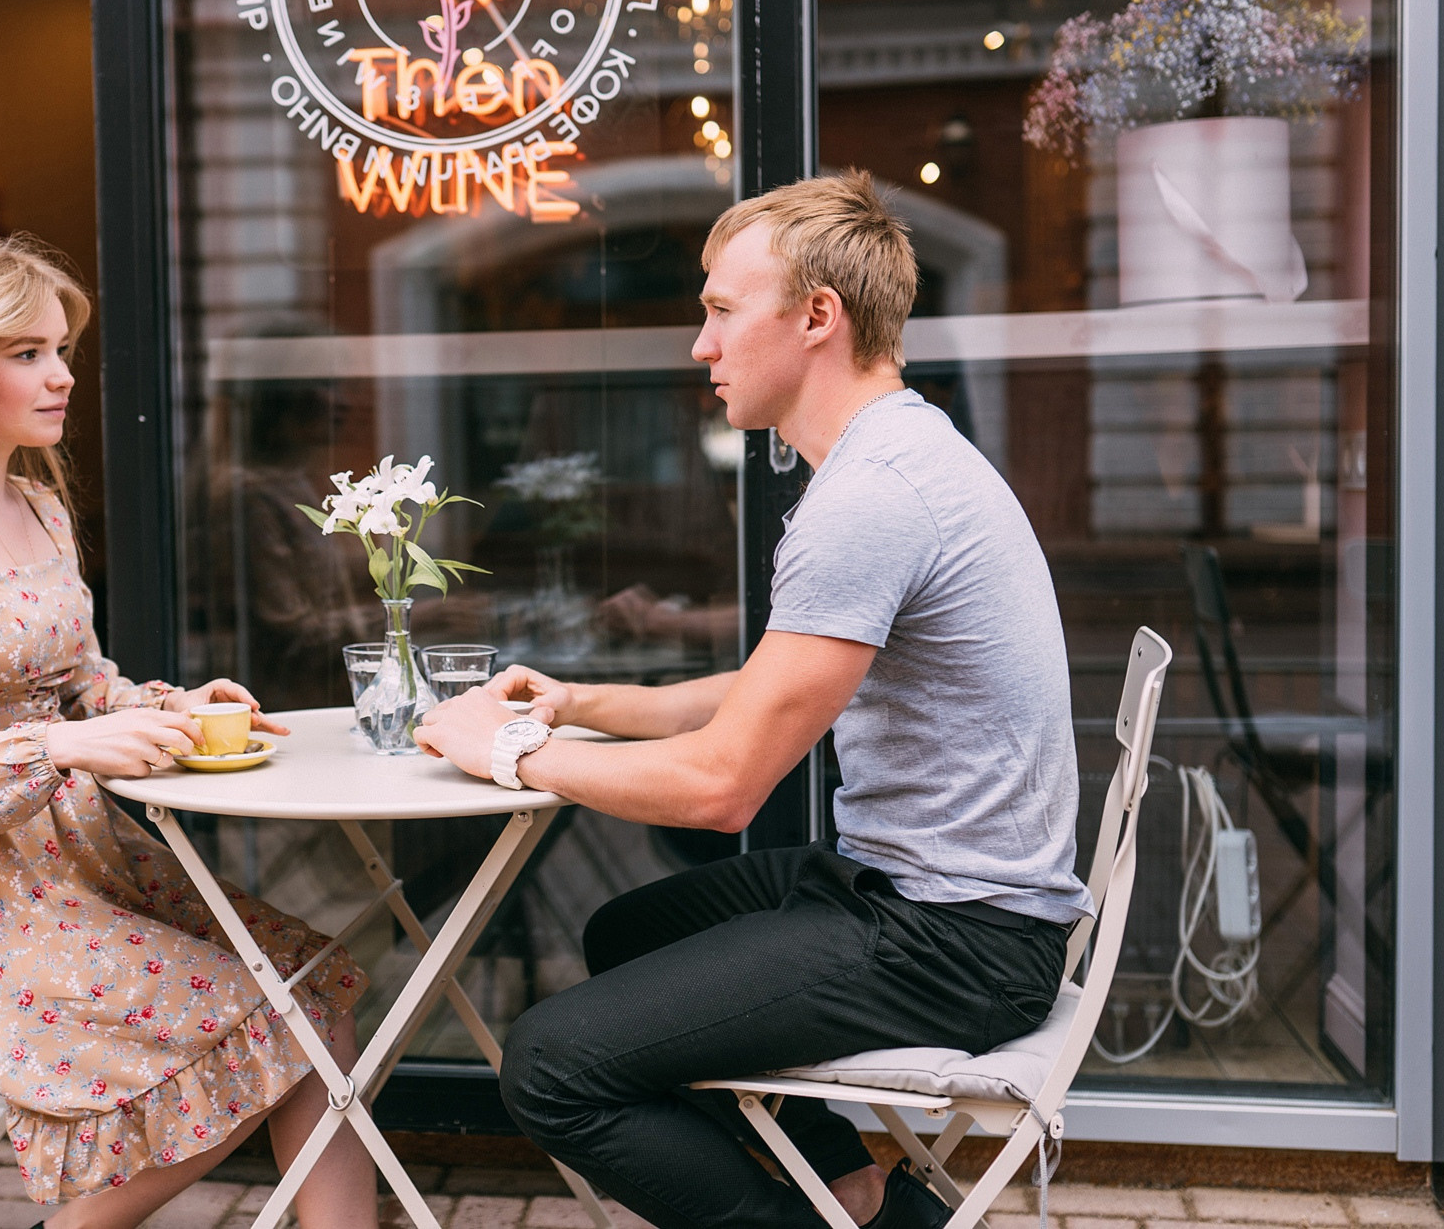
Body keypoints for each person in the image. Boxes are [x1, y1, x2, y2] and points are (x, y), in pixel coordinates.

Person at [415, 171, 1089, 1229]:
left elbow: (720, 789)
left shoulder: (868, 499)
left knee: (549, 1064)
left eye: (721, 311)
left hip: (957, 937)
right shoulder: (899, 454)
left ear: (816, 316)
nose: (699, 344)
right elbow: (764, 688)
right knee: (630, 931)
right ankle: (851, 1187)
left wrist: (499, 752)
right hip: (925, 892)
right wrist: (580, 700)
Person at [0, 234, 376, 1229]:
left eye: (61, 350)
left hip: (82, 854)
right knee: (276, 1018)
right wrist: (53, 748)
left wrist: (164, 707)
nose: (61, 376)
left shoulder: (38, 508)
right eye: (26, 352)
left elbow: (77, 681)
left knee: (311, 983)